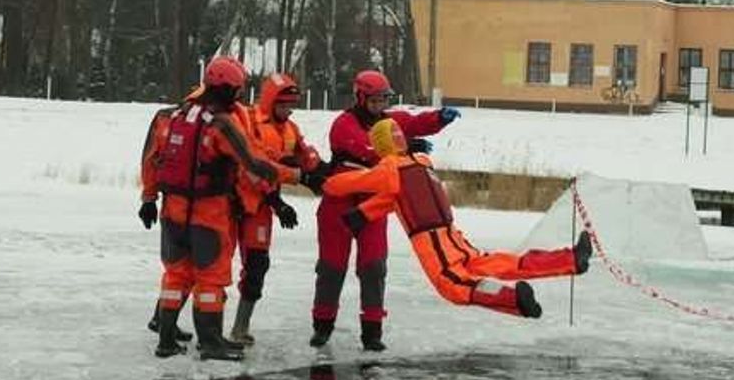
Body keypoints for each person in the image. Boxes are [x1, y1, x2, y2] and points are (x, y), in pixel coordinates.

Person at [322, 117, 592, 321]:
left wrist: (327, 180)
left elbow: (351, 183)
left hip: (432, 243)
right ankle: (570, 260)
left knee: (453, 285)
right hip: (453, 236)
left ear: (380, 146)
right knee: (496, 263)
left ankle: (513, 299)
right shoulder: (422, 160)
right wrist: (359, 216)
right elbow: (399, 198)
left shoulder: (389, 169)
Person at [153, 56, 325, 360]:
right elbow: (255, 165)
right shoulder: (222, 123)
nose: (240, 95)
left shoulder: (179, 115)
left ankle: (166, 340)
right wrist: (297, 176)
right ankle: (210, 341)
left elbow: (157, 159)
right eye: (237, 89)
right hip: (208, 212)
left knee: (176, 275)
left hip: (173, 211)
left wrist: (148, 197)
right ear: (228, 89)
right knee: (210, 278)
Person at [311, 69, 459, 351]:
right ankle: (322, 325)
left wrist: (439, 118)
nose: (380, 106)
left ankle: (372, 332)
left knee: (374, 267)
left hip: (372, 207)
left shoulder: (390, 121)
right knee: (332, 267)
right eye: (375, 101)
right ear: (361, 98)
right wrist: (403, 147)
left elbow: (415, 123)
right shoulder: (343, 124)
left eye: (383, 100)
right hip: (339, 207)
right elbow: (368, 148)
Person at [228, 72, 328, 345]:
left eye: (290, 105)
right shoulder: (249, 122)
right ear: (270, 101)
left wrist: (326, 174)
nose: (287, 110)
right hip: (232, 202)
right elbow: (254, 166)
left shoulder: (290, 130)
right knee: (208, 267)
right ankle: (173, 320)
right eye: (283, 105)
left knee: (257, 266)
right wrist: (278, 201)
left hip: (260, 208)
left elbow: (306, 158)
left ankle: (240, 328)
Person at [138, 94, 194, 344]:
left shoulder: (166, 118)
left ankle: (162, 319)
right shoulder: (172, 120)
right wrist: (148, 199)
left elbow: (150, 159)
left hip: (174, 204)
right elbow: (151, 160)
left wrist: (149, 199)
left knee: (179, 270)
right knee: (184, 270)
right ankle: (163, 323)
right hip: (187, 206)